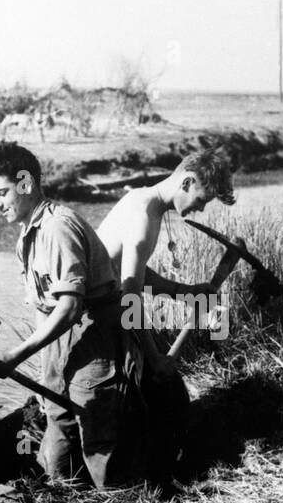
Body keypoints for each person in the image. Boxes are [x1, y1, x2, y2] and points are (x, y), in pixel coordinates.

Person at [0, 141, 141, 489]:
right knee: (57, 419)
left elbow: (68, 308)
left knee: (97, 432)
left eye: (2, 193)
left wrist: (15, 356)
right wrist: (45, 365)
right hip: (58, 340)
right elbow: (43, 306)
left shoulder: (57, 228)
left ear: (26, 184)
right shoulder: (27, 234)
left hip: (92, 334)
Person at [95, 149, 236, 375]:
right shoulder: (142, 217)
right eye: (201, 200)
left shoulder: (143, 199)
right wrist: (155, 358)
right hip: (95, 322)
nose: (200, 209)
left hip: (105, 313)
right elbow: (130, 297)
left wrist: (184, 292)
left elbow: (125, 271)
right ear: (187, 182)